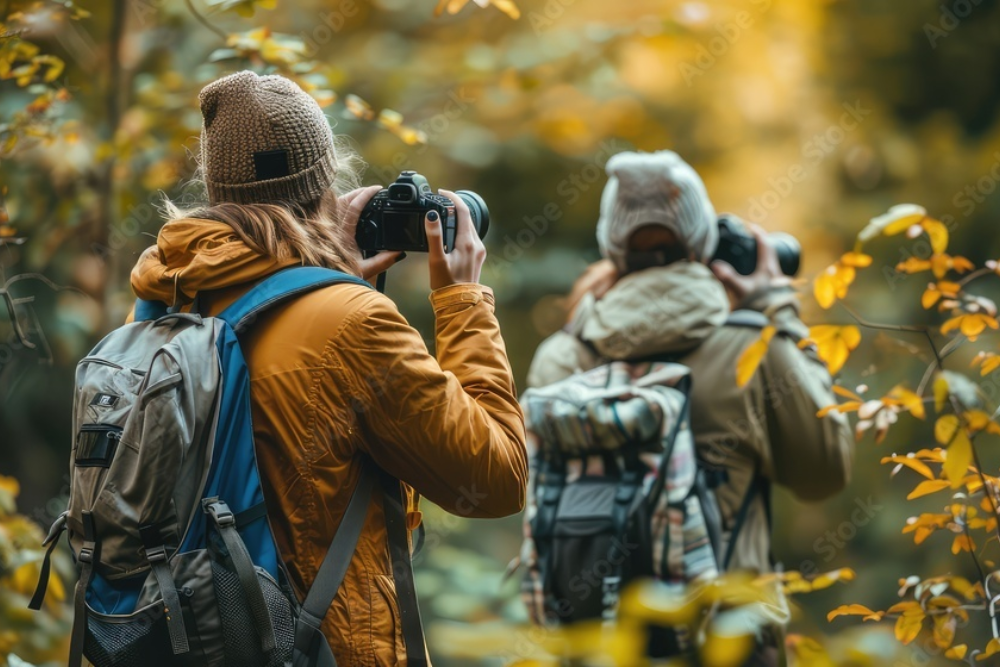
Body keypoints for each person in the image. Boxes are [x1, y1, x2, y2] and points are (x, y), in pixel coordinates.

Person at [129, 70, 528, 665]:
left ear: (218, 192)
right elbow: (496, 479)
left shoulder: (165, 298)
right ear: (323, 182)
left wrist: (323, 278)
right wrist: (462, 299)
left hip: (187, 639)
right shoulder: (352, 324)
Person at [526, 150, 854, 664]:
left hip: (598, 649)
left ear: (613, 246)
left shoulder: (562, 358)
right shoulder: (752, 345)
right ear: (702, 242)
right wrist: (777, 311)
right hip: (728, 644)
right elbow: (824, 473)